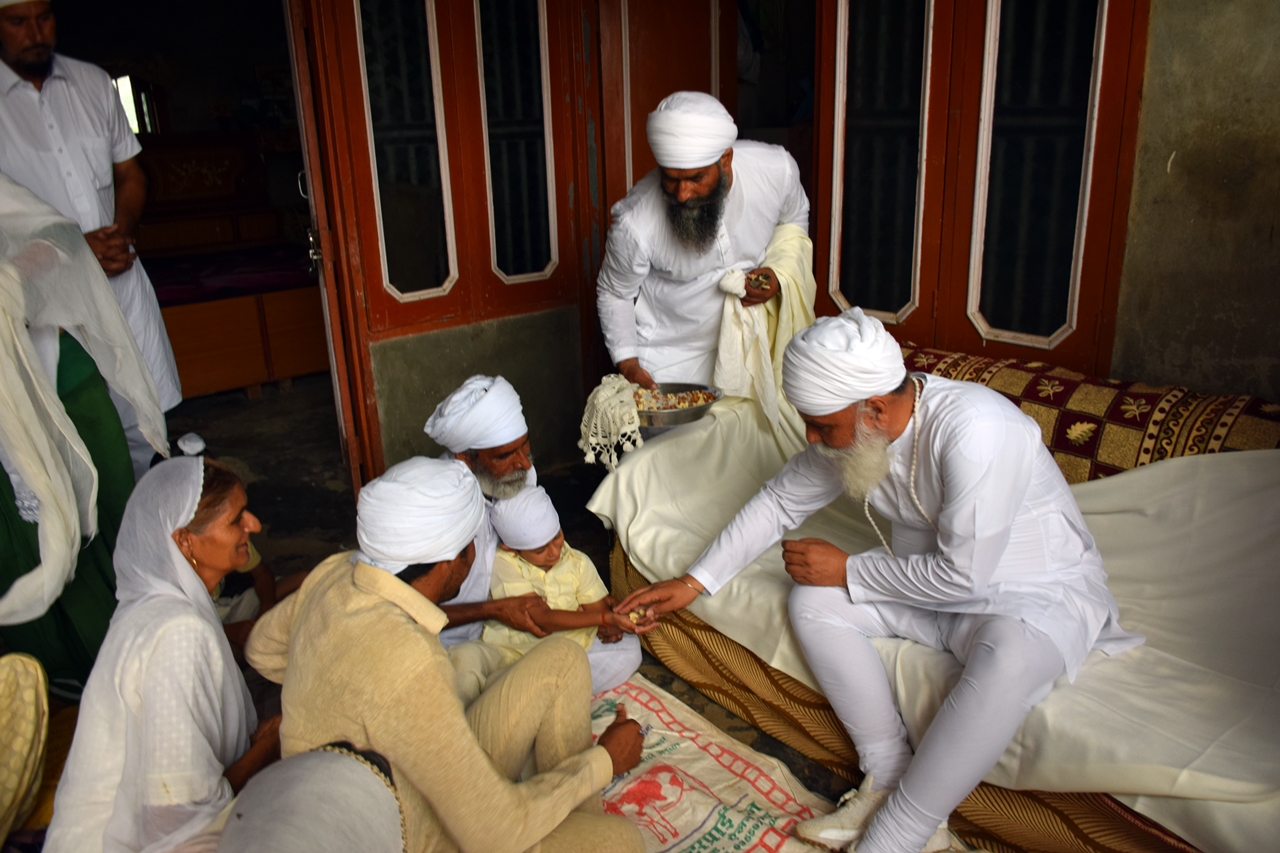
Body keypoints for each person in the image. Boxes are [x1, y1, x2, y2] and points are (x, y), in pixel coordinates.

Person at [617, 307, 1144, 853]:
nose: (811, 437)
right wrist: (694, 582)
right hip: (929, 593)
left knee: (1008, 661)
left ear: (874, 408)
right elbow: (778, 502)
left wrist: (847, 569)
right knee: (813, 601)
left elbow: (966, 577)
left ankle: (903, 832)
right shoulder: (855, 429)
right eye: (808, 422)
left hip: (1032, 595)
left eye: (822, 425)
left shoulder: (979, 429)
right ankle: (887, 772)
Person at [245, 457, 646, 853]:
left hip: (377, 785)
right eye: (474, 544)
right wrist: (604, 761)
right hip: (414, 834)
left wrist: (333, 697)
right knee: (623, 841)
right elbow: (494, 835)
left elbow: (261, 649)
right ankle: (573, 817)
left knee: (564, 658)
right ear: (452, 559)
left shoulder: (333, 573)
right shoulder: (413, 660)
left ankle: (571, 817)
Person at [45, 457, 282, 853]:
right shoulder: (178, 634)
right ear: (184, 541)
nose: (253, 525)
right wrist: (266, 747)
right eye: (236, 520)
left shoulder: (162, 608)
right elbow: (175, 821)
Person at [0, 173, 167, 699]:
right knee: (21, 534)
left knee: (106, 498)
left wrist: (9, 278)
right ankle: (54, 671)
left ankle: (137, 641)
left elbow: (55, 238)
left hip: (51, 367)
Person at [0, 0, 181, 480]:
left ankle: (149, 520)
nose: (35, 32)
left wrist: (122, 231)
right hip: (44, 302)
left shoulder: (93, 83)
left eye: (44, 17)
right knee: (75, 442)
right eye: (17, 21)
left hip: (119, 278)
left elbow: (130, 173)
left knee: (144, 423)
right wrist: (77, 251)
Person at [596, 90, 810, 388]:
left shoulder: (776, 171)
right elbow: (614, 292)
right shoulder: (635, 222)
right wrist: (628, 363)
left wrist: (778, 275)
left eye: (696, 178)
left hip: (754, 350)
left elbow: (794, 222)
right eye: (671, 178)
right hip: (671, 362)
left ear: (726, 159)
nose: (682, 194)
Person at [423, 374, 553, 647]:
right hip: (445, 642)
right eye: (505, 456)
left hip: (509, 621)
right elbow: (413, 610)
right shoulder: (438, 507)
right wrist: (495, 610)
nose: (525, 464)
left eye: (525, 445)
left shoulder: (519, 476)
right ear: (465, 458)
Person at [482, 485, 641, 699]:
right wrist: (601, 618)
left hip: (573, 643)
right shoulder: (503, 564)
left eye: (556, 536)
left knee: (630, 649)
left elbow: (599, 611)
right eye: (540, 550)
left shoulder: (577, 561)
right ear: (510, 549)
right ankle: (545, 691)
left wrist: (609, 623)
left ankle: (546, 693)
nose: (554, 552)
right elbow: (541, 619)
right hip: (522, 652)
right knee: (495, 670)